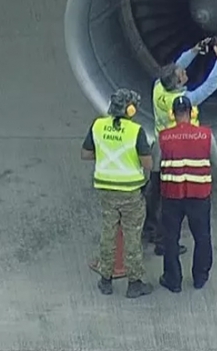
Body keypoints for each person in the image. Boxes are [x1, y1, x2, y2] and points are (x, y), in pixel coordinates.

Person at [143, 38, 217, 253]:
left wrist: (194, 50)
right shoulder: (183, 100)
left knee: (154, 189)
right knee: (168, 197)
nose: (185, 73)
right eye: (182, 76)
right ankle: (163, 241)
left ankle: (149, 227)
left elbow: (177, 65)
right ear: (178, 85)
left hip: (159, 145)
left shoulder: (159, 87)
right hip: (176, 149)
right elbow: (210, 87)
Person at [81, 88, 155, 298]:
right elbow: (147, 163)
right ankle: (134, 283)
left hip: (106, 189)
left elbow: (85, 154)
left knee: (108, 233)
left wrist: (107, 154)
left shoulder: (98, 126)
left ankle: (106, 280)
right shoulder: (135, 131)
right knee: (132, 236)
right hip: (130, 191)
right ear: (130, 110)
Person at [157, 95, 217, 292]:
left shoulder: (164, 137)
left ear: (173, 115)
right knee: (202, 237)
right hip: (199, 195)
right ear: (192, 113)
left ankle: (173, 280)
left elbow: (154, 165)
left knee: (171, 238)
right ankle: (200, 277)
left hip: (172, 195)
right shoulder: (206, 135)